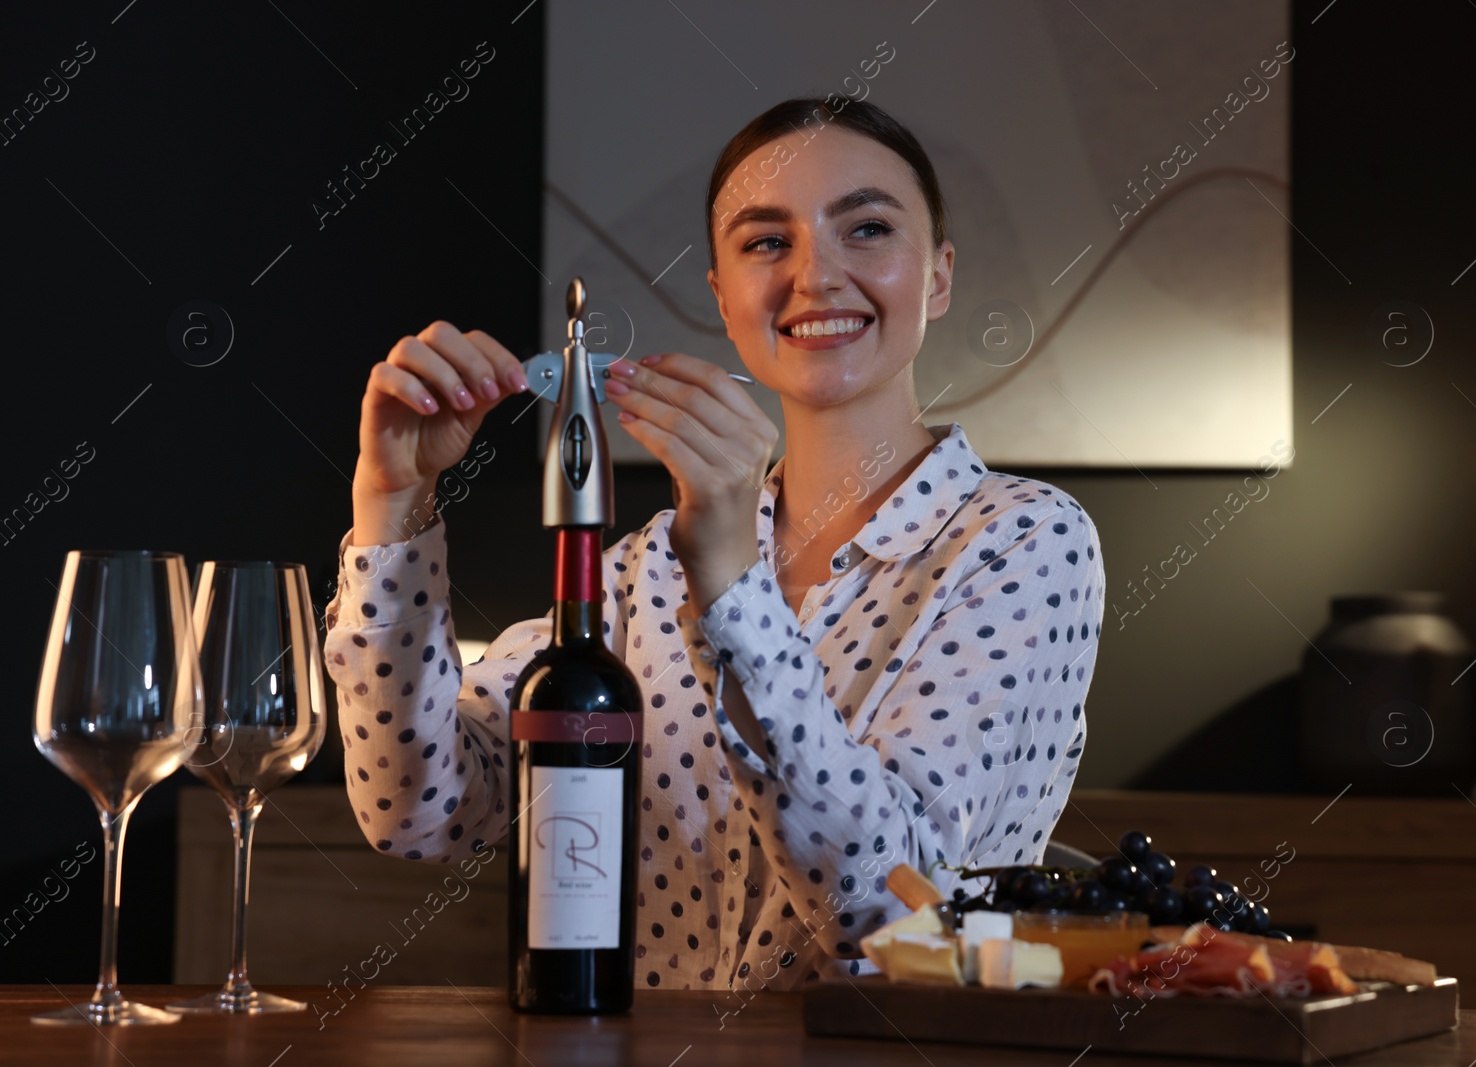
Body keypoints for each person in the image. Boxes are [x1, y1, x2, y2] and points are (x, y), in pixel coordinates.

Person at [323, 97, 1105, 994]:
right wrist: (394, 506)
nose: (815, 275)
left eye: (869, 228)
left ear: (937, 277)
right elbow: (420, 812)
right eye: (767, 243)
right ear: (723, 300)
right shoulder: (646, 568)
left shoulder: (1025, 541)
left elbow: (903, 913)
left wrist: (732, 586)